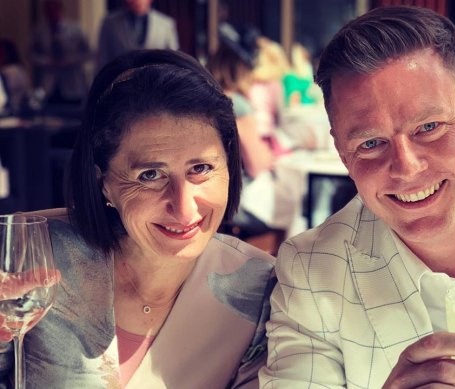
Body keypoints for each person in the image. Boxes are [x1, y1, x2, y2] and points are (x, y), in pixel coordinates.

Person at [259, 6, 455, 389]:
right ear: (343, 153)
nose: (406, 167)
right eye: (370, 142)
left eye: (429, 127)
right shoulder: (312, 273)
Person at [0, 49, 275, 388]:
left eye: (201, 168)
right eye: (150, 175)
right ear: (104, 183)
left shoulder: (261, 289)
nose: (185, 208)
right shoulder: (30, 254)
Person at [208, 28, 301, 239]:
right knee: (297, 205)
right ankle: (282, 264)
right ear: (243, 70)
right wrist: (268, 155)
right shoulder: (237, 105)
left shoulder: (204, 100)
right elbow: (257, 164)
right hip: (239, 202)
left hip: (212, 194)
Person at [30, 0, 91, 105]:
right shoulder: (39, 31)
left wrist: (70, 60)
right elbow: (31, 53)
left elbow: (88, 52)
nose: (51, 15)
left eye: (53, 11)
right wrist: (46, 61)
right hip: (49, 84)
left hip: (72, 83)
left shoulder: (75, 28)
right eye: (48, 12)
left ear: (60, 10)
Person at [97, 0, 179, 71]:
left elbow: (173, 59)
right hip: (120, 82)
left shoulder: (166, 24)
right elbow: (102, 59)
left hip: (156, 82)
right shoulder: (110, 23)